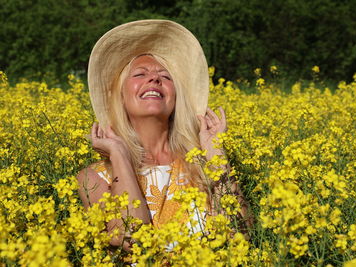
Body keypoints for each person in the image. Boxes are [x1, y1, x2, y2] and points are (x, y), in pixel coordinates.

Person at [76, 20, 247, 251]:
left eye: (165, 77)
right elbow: (130, 238)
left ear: (176, 97)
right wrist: (119, 155)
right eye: (139, 74)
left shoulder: (203, 163)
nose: (154, 79)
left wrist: (217, 155)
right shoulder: (93, 178)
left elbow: (240, 236)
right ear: (121, 96)